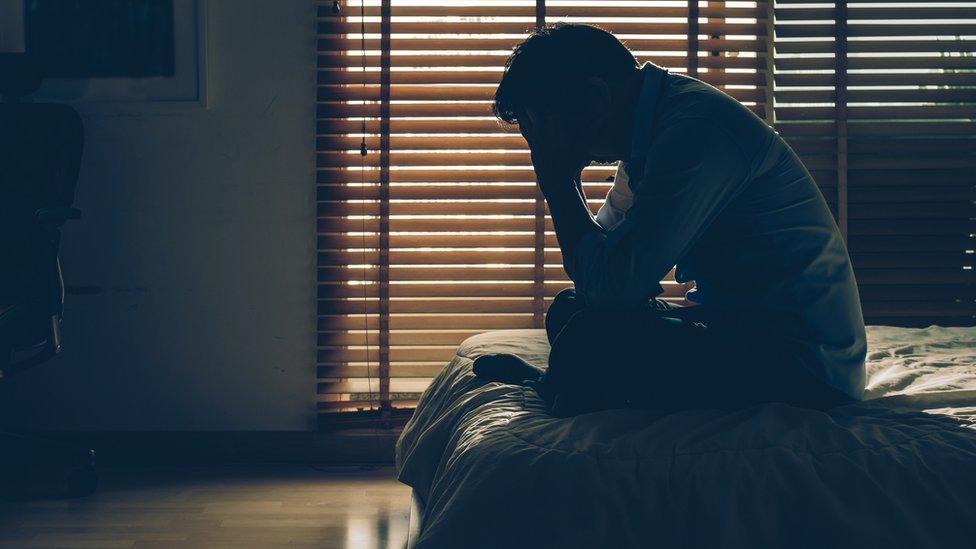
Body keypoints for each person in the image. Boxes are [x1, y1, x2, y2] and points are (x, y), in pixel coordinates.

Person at [472, 23, 867, 417]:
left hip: (804, 367)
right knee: (569, 310)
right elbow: (599, 269)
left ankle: (560, 385)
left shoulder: (696, 133)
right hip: (736, 329)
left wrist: (557, 181)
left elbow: (614, 287)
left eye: (549, 126)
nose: (547, 143)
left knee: (589, 336)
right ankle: (561, 384)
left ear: (596, 96)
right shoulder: (649, 135)